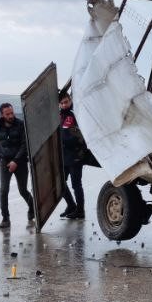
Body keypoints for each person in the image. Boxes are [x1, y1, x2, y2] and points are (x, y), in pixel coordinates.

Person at [0, 102, 34, 229]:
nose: (10, 116)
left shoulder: (21, 124)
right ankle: (5, 218)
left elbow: (24, 144)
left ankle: (32, 208)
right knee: (3, 190)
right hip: (5, 161)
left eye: (12, 113)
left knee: (22, 190)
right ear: (2, 114)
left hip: (20, 161)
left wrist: (15, 161)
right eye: (7, 114)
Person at [58, 90, 88, 219]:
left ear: (70, 100)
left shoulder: (76, 114)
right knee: (60, 183)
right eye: (62, 103)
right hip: (64, 157)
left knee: (76, 185)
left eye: (66, 102)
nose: (64, 105)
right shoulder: (58, 116)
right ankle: (71, 205)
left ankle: (80, 211)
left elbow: (81, 137)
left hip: (76, 155)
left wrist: (64, 141)